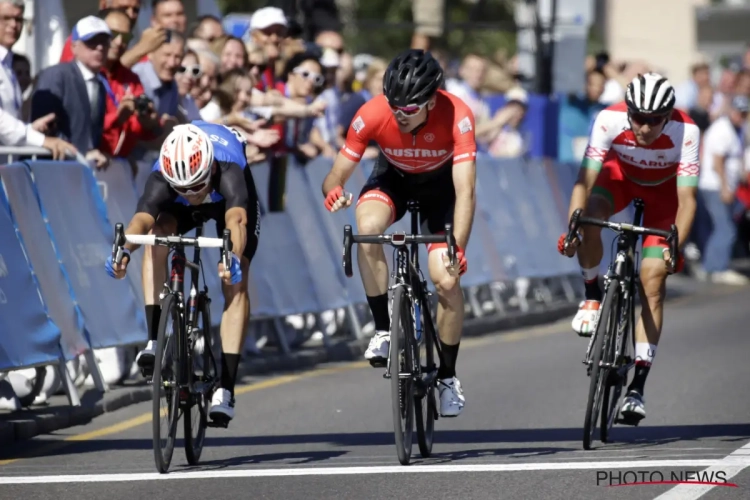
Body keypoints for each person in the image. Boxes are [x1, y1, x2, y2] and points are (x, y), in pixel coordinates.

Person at [321, 49, 477, 417]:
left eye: (409, 109)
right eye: (395, 106)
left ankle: (448, 377)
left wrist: (458, 247)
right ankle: (382, 329)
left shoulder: (458, 116)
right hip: (394, 180)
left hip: (441, 192)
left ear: (431, 100)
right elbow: (337, 172)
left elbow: (466, 191)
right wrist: (332, 189)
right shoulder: (373, 112)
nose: (399, 115)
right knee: (368, 228)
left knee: (446, 281)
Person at [558, 72, 700, 424]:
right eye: (638, 118)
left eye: (654, 121)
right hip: (618, 180)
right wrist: (572, 226)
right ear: (629, 112)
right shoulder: (608, 119)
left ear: (667, 116)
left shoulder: (687, 131)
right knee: (591, 217)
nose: (645, 127)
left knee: (652, 280)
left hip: (665, 197)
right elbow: (584, 179)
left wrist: (674, 245)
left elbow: (687, 198)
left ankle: (637, 386)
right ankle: (592, 296)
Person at [104, 120, 261, 426]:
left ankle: (226, 389)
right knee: (157, 236)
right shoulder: (163, 175)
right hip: (178, 201)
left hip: (226, 206)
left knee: (236, 280)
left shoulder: (228, 168)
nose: (191, 194)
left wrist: (231, 257)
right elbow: (140, 220)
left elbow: (237, 219)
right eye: (183, 189)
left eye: (196, 186)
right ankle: (155, 339)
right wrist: (123, 249)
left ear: (210, 170)